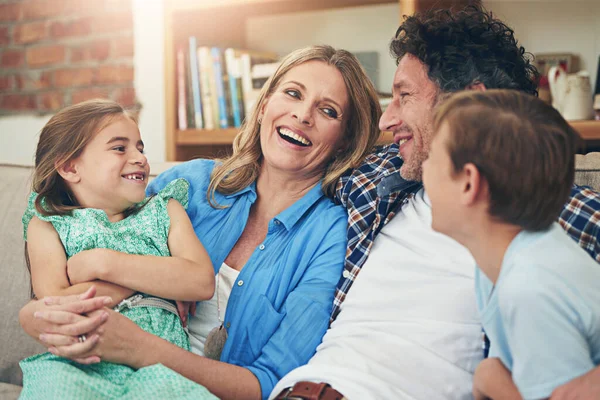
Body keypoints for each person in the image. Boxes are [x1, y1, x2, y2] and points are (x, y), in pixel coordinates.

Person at [270, 6, 600, 400]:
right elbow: (272, 166)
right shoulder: (377, 177)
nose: (385, 121)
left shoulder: (565, 219)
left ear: (471, 107)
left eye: (404, 96)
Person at [18, 45, 383, 400]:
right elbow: (95, 240)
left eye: (328, 111)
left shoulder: (329, 233)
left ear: (344, 141)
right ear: (264, 106)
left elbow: (268, 383)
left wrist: (140, 348)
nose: (303, 115)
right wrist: (33, 317)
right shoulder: (191, 186)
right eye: (292, 93)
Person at [19, 99, 217, 399]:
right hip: (80, 364)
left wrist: (103, 262)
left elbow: (200, 281)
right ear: (70, 167)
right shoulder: (48, 224)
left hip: (158, 366)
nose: (139, 157)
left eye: (140, 147)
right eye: (120, 148)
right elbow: (58, 305)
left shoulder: (165, 210)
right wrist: (157, 282)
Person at [422, 89, 600, 400]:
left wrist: (489, 378)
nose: (423, 169)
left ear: (468, 183)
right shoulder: (502, 260)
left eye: (432, 157)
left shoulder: (531, 287)